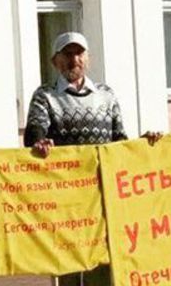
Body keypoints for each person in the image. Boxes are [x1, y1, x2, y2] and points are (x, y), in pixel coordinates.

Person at [24, 31, 161, 285]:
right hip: (65, 198)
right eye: (67, 54)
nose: (74, 59)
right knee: (69, 265)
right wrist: (40, 141)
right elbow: (34, 131)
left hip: (102, 196)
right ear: (56, 61)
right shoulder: (46, 96)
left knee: (102, 263)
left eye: (79, 53)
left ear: (88, 59)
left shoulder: (106, 95)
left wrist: (145, 143)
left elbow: (119, 142)